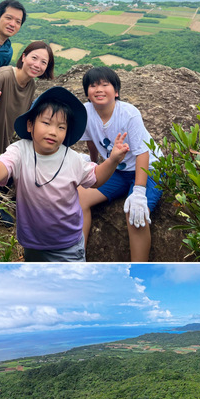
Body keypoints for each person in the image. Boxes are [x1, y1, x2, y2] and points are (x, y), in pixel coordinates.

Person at [0, 86, 128, 262]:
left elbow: (96, 178)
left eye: (61, 127)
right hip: (32, 244)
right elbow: (1, 166)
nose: (53, 131)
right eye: (46, 123)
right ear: (30, 125)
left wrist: (113, 160)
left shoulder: (73, 159)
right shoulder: (20, 151)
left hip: (68, 245)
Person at [77, 67, 162, 262]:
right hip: (117, 169)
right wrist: (93, 163)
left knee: (136, 214)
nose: (99, 89)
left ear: (116, 92)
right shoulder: (86, 112)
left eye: (105, 84)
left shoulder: (129, 114)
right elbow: (90, 138)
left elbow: (142, 152)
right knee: (79, 197)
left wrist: (139, 192)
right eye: (93, 85)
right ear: (87, 93)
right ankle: (78, 257)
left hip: (149, 168)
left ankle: (138, 271)